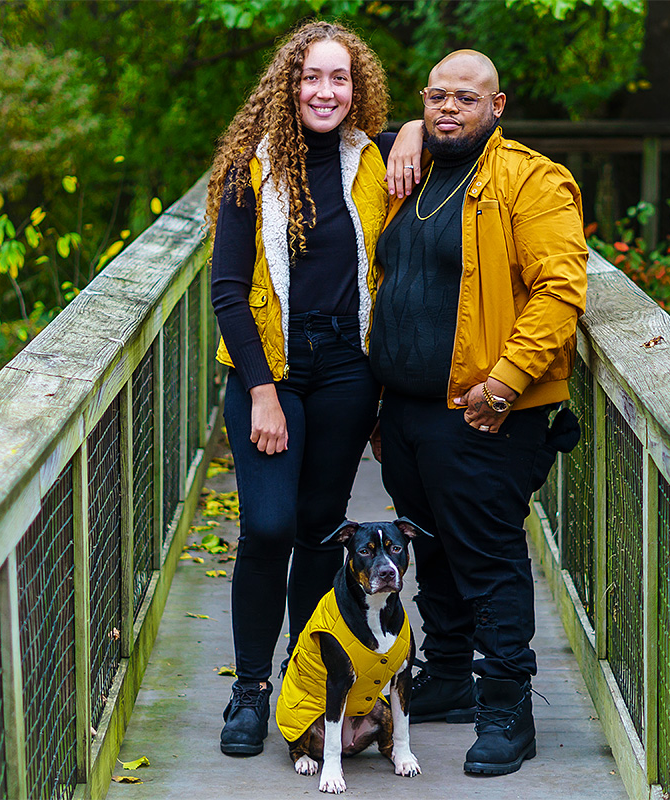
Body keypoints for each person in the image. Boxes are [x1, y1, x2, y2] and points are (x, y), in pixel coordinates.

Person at [369, 49, 589, 776]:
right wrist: (407, 128)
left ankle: (505, 709)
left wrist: (505, 382)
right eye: (435, 96)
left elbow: (560, 290)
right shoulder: (412, 172)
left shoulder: (530, 180)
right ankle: (448, 677)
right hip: (404, 411)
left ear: (498, 107)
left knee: (489, 558)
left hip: (482, 412)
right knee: (430, 549)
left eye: (466, 97)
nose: (448, 108)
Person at [206, 21, 417, 757]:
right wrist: (262, 393)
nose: (325, 91)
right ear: (287, 86)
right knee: (266, 528)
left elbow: (447, 131)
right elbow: (228, 292)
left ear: (357, 90)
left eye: (340, 79)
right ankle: (250, 690)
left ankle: (306, 672)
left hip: (347, 373)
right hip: (272, 373)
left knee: (321, 532)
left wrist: (417, 128)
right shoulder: (250, 171)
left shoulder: (373, 159)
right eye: (311, 77)